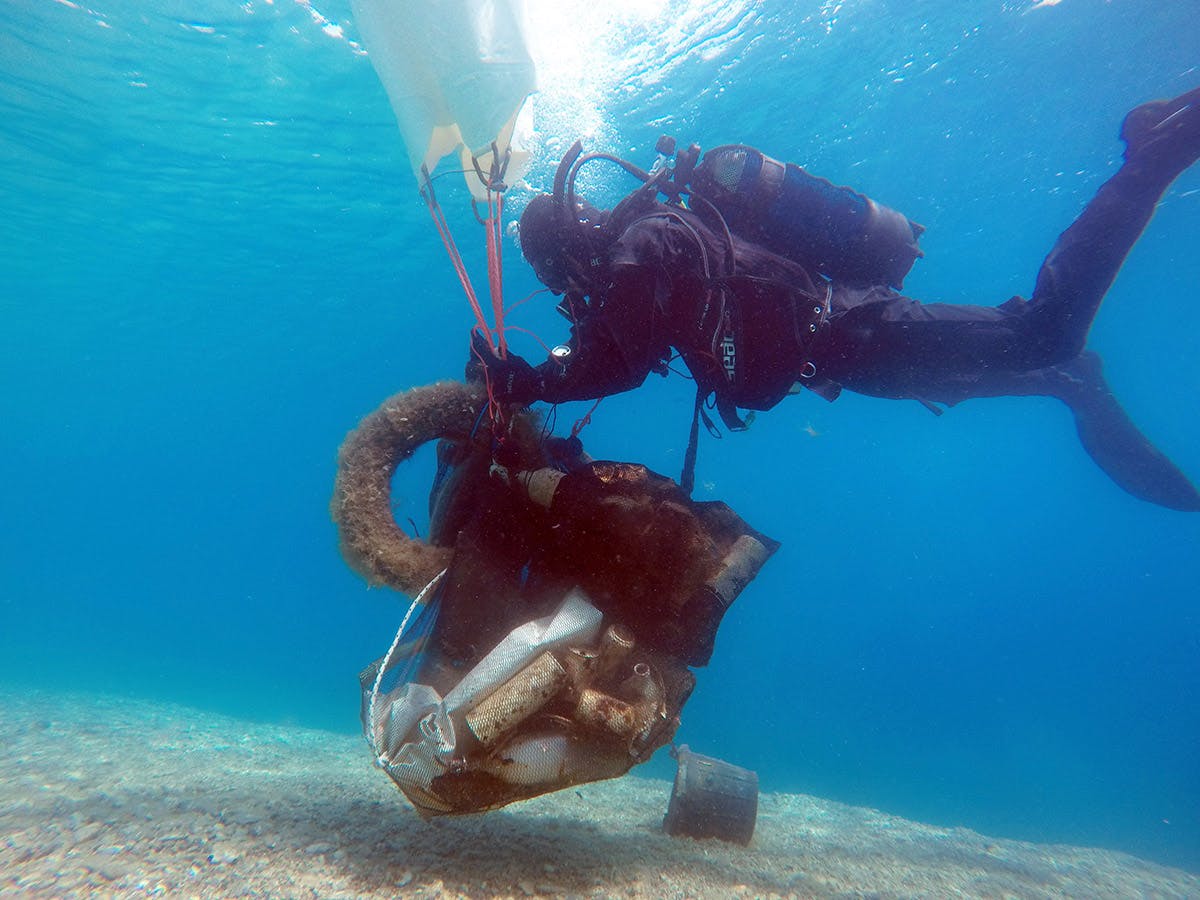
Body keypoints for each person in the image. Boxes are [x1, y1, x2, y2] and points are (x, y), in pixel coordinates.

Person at [469, 87, 1200, 511]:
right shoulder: (652, 255)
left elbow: (618, 362)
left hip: (858, 329)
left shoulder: (643, 245)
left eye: (561, 279)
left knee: (1043, 331)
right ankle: (1072, 385)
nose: (570, 297)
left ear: (570, 249)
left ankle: (1151, 156)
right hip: (845, 362)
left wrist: (532, 380)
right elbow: (623, 345)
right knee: (1030, 367)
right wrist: (536, 380)